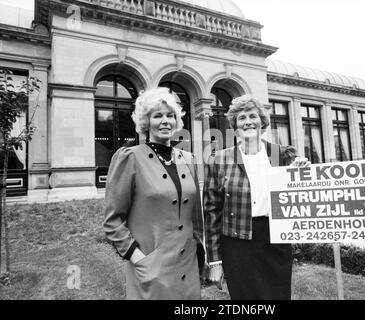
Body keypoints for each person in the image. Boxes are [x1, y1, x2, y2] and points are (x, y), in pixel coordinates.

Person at [203, 95, 310, 300]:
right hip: (237, 245)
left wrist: (302, 169)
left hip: (275, 241)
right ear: (234, 126)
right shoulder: (219, 160)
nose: (248, 121)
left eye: (253, 116)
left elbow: (300, 195)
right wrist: (215, 262)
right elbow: (211, 213)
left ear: (263, 122)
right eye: (241, 118)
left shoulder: (281, 154)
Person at [103, 87, 204, 300]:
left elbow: (197, 216)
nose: (165, 121)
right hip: (150, 269)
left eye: (170, 115)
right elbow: (113, 221)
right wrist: (139, 259)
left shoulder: (189, 159)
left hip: (188, 268)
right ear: (146, 122)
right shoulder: (130, 158)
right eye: (157, 115)